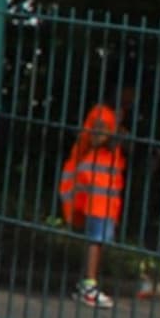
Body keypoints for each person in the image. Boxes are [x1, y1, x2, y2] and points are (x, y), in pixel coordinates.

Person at [62, 98, 126, 305]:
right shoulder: (103, 115)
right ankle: (89, 286)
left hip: (103, 193)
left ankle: (87, 283)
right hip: (97, 191)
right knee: (95, 240)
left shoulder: (108, 118)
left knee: (97, 240)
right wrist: (115, 133)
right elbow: (96, 138)